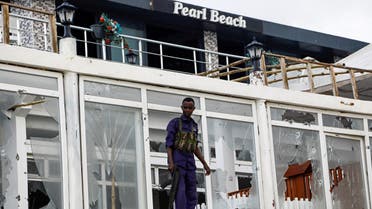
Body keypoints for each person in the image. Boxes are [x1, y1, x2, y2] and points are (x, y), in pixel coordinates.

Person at [166, 97, 211, 209]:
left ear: (193, 109)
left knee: (192, 191)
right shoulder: (175, 123)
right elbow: (169, 144)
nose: (187, 110)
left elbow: (194, 147)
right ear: (182, 108)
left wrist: (205, 164)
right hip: (178, 160)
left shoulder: (194, 126)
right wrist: (171, 162)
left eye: (189, 108)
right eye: (185, 107)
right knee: (180, 190)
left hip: (190, 161)